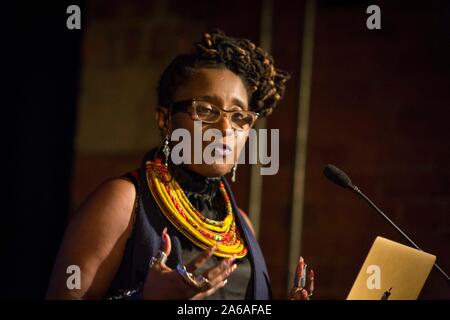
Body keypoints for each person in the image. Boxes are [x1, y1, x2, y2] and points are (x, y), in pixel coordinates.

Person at [46, 30, 315, 300]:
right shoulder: (124, 201)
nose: (225, 127)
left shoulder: (240, 224)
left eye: (238, 116)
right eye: (206, 110)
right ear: (165, 120)